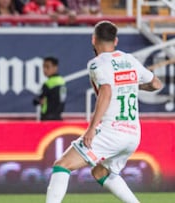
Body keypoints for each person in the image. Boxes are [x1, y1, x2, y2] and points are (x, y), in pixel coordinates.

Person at [45, 20, 162, 203]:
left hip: (111, 131)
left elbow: (106, 92)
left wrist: (91, 129)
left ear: (94, 40)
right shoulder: (129, 59)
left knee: (62, 165)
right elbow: (156, 84)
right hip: (133, 134)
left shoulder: (96, 64)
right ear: (115, 41)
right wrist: (129, 85)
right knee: (100, 171)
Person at [33, 56, 66, 121]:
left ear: (55, 67)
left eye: (47, 67)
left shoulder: (48, 84)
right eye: (43, 67)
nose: (44, 70)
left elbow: (36, 100)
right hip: (58, 117)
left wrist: (39, 101)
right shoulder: (62, 81)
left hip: (47, 118)